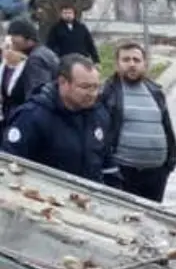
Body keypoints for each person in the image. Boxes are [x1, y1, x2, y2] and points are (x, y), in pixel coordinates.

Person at [0, 53, 119, 185]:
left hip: (90, 194)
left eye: (96, 87)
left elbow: (107, 160)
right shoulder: (33, 116)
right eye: (85, 87)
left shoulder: (99, 115)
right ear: (63, 82)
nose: (92, 94)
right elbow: (9, 162)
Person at [99, 41, 176, 202]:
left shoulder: (155, 92)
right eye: (126, 60)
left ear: (144, 64)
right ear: (117, 64)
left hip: (156, 173)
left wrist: (170, 161)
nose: (132, 64)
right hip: (124, 172)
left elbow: (166, 126)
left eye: (136, 60)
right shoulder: (108, 93)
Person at [2, 16, 60, 131]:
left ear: (28, 39)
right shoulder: (44, 52)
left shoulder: (35, 59)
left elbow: (37, 94)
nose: (11, 39)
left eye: (14, 35)